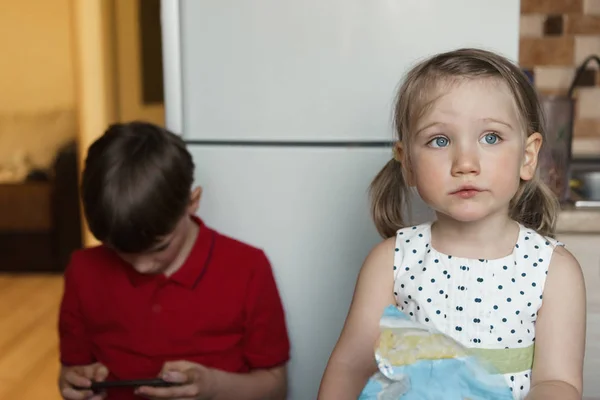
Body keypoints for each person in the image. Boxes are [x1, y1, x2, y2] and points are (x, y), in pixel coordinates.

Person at [318, 48, 586, 400]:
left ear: (527, 156)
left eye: (491, 137)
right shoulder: (391, 261)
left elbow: (558, 382)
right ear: (408, 163)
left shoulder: (554, 270)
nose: (465, 163)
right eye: (439, 140)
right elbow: (351, 367)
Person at [58, 121, 290, 400]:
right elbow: (71, 371)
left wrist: (213, 386)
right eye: (120, 250)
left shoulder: (248, 269)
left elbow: (275, 387)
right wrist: (74, 385)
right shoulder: (83, 272)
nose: (142, 266)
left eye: (159, 247)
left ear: (192, 202)